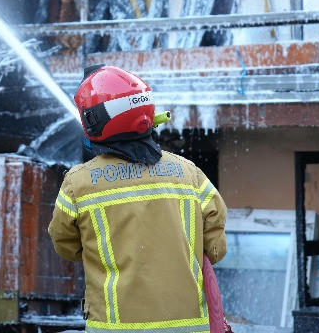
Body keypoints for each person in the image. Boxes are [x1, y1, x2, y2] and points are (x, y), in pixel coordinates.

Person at [48, 64, 227, 333]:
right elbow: (216, 250)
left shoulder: (78, 183)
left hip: (114, 326)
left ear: (93, 121)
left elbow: (66, 247)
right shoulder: (190, 173)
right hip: (189, 326)